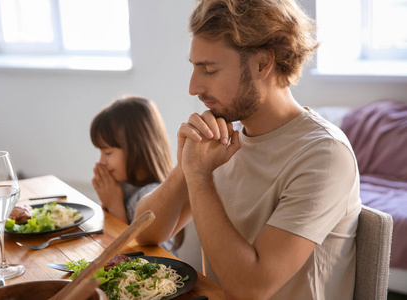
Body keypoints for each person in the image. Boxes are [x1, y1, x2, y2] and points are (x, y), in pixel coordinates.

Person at [135, 0, 361, 299]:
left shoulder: (323, 155)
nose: (193, 86)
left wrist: (201, 177)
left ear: (262, 63)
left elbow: (249, 288)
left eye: (209, 70)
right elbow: (144, 233)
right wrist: (186, 168)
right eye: (194, 68)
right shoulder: (223, 142)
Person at [90, 96, 184, 253]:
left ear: (136, 148)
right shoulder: (124, 185)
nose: (101, 162)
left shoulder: (153, 196)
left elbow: (145, 256)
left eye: (107, 152)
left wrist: (115, 206)